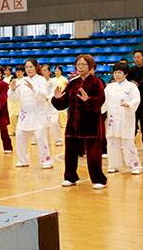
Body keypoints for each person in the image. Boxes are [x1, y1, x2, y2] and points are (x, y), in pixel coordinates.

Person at [52, 54, 107, 189]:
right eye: (78, 64)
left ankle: (98, 179)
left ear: (90, 66)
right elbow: (63, 103)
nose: (80, 67)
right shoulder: (72, 82)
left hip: (91, 123)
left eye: (83, 64)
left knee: (93, 154)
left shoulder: (96, 82)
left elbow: (101, 100)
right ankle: (70, 177)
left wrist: (88, 100)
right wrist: (57, 98)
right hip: (73, 123)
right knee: (70, 152)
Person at [9, 59, 52, 169]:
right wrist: (13, 90)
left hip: (38, 114)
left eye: (31, 66)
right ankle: (22, 160)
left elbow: (44, 95)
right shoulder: (21, 81)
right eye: (27, 67)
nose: (28, 69)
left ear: (36, 67)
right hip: (25, 114)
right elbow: (15, 98)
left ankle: (46, 161)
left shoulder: (41, 80)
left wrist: (34, 88)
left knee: (40, 137)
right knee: (20, 136)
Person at [103, 62, 142, 175]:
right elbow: (103, 101)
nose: (117, 75)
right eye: (115, 73)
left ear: (125, 74)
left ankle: (134, 165)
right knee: (112, 141)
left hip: (126, 118)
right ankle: (113, 165)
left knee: (128, 141)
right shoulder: (109, 87)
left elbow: (136, 99)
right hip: (112, 119)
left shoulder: (131, 86)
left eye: (119, 72)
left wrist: (129, 104)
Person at [128, 49, 143, 150]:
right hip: (133, 102)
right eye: (135, 57)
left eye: (138, 57)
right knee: (132, 124)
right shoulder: (131, 70)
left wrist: (137, 84)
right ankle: (130, 143)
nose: (136, 59)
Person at [42, 65, 63, 146]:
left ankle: (59, 139)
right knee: (44, 124)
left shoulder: (54, 81)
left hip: (52, 106)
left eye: (45, 70)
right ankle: (45, 141)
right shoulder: (40, 82)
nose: (43, 72)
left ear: (49, 72)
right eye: (42, 70)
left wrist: (48, 98)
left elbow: (54, 93)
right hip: (43, 106)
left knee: (54, 122)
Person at [7, 65, 25, 136]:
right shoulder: (14, 80)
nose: (18, 73)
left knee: (21, 116)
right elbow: (10, 90)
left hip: (22, 101)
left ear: (23, 72)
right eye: (17, 71)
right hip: (14, 102)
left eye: (20, 71)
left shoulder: (25, 80)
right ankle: (13, 130)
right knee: (12, 116)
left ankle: (22, 130)